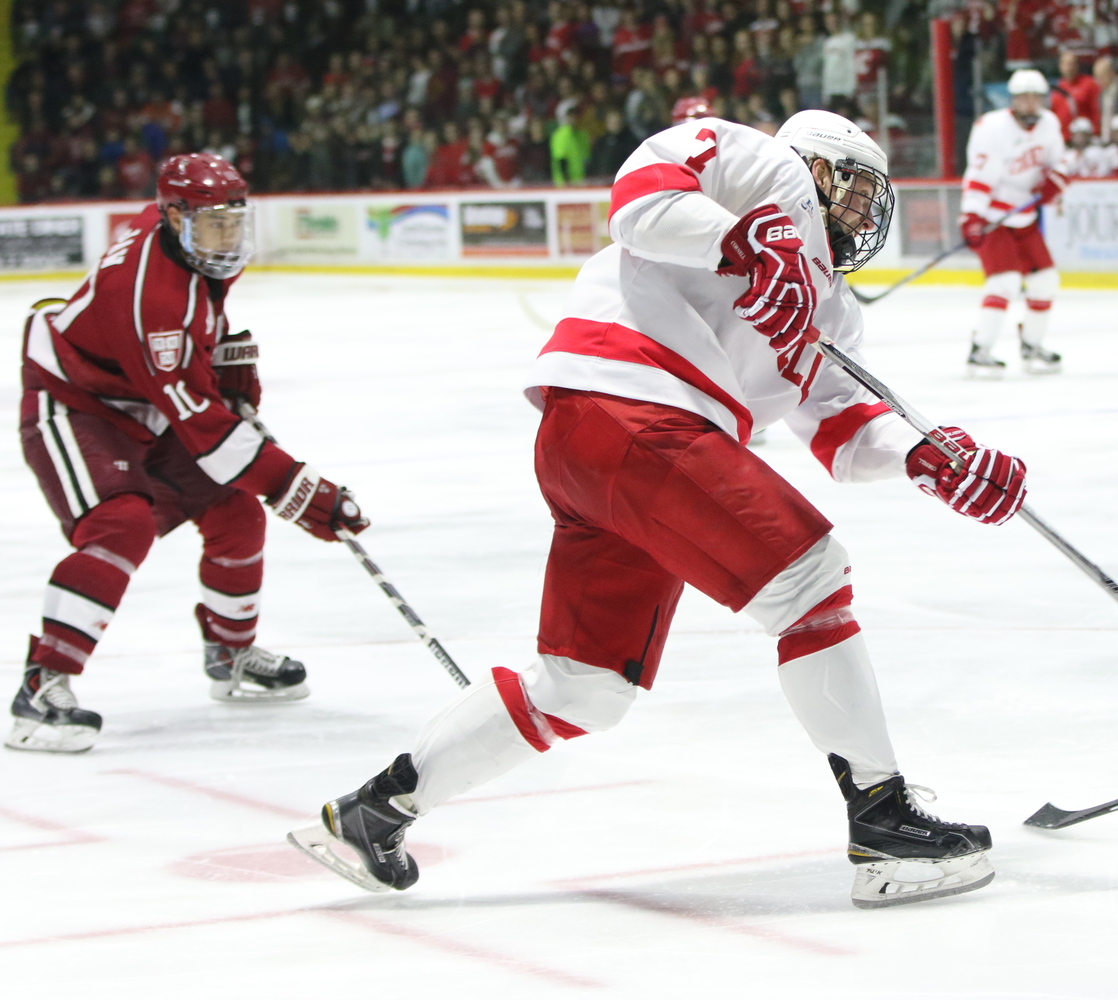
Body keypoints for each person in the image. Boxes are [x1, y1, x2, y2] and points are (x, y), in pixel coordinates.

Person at [290, 110, 1025, 910]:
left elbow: (844, 428)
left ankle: (374, 810)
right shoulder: (757, 166)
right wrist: (743, 239)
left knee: (584, 689)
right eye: (853, 192)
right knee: (809, 580)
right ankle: (883, 824)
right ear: (816, 168)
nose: (860, 217)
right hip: (636, 409)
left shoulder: (833, 308)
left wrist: (930, 459)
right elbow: (639, 196)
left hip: (600, 444)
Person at [10, 154, 369, 753]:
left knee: (235, 510)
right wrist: (299, 490)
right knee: (120, 524)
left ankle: (230, 653)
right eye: (211, 225)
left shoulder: (181, 244)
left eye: (233, 222)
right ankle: (42, 686)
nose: (226, 239)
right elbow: (203, 426)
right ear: (174, 216)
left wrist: (226, 366)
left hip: (141, 401)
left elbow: (195, 360)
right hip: (74, 402)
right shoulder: (150, 298)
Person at [959, 69, 1067, 378]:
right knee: (1004, 283)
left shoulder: (1049, 125)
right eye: (1024, 98)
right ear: (1013, 100)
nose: (1031, 104)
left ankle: (1032, 345)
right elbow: (978, 177)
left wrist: (1055, 181)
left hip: (1025, 216)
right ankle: (980, 350)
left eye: (1036, 98)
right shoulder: (992, 128)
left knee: (1046, 281)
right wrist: (972, 216)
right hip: (994, 216)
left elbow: (1059, 162)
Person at [1051, 49, 1101, 136]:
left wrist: (1096, 132)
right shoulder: (1057, 88)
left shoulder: (1089, 84)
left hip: (1084, 137)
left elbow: (1096, 110)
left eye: (1072, 64)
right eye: (1066, 64)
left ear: (1077, 65)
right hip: (1063, 137)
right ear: (1060, 66)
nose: (1069, 68)